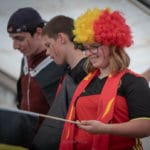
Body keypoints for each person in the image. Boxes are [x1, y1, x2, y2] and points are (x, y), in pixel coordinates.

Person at [59, 8, 150, 150]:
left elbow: (145, 127)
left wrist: (104, 129)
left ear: (113, 44)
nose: (89, 53)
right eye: (85, 48)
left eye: (94, 47)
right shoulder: (85, 82)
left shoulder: (134, 82)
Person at [6, 7, 66, 148]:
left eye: (19, 39)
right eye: (12, 39)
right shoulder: (25, 59)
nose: (14, 46)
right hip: (30, 140)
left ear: (39, 33)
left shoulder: (60, 61)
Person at [31, 15, 87, 150]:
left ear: (61, 38)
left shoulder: (89, 74)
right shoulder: (67, 74)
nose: (48, 53)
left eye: (49, 46)